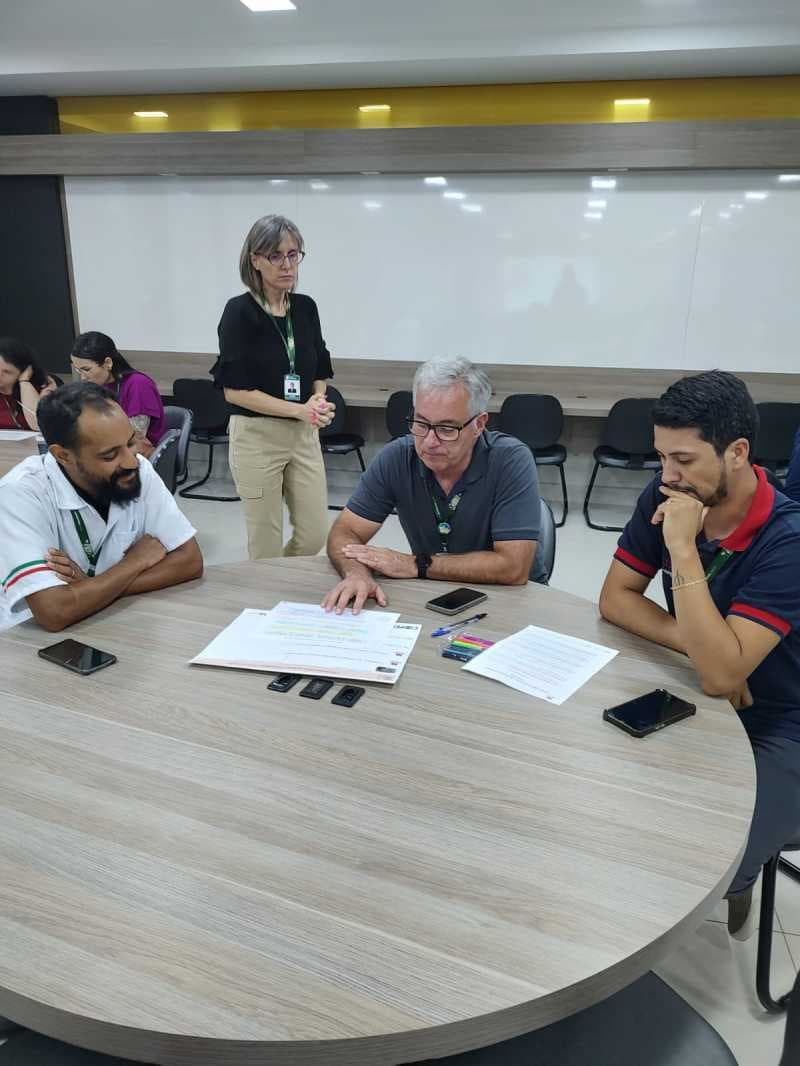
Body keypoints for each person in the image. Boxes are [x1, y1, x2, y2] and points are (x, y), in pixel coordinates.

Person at [598, 370, 800, 935]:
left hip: (782, 719)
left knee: (716, 867)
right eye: (662, 457)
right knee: (605, 799)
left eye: (684, 459)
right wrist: (709, 651)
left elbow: (721, 676)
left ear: (737, 453)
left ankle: (734, 893)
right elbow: (615, 599)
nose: (668, 476)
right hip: (703, 685)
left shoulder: (788, 540)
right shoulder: (666, 495)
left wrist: (683, 550)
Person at [323, 357, 545, 614]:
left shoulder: (510, 460)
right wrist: (356, 574)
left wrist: (418, 565)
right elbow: (345, 531)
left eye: (447, 428)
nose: (429, 441)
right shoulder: (398, 456)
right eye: (421, 423)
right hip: (436, 596)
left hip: (513, 600)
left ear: (479, 424)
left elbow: (513, 567)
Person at [0, 382, 203, 633]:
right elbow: (55, 611)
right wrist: (135, 562)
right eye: (109, 456)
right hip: (29, 643)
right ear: (62, 455)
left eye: (130, 443)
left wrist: (90, 586)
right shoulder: (21, 493)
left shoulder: (137, 469)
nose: (131, 461)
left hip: (110, 619)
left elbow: (190, 560)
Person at [212, 214, 335, 561]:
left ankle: (281, 583)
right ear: (255, 260)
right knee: (265, 543)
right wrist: (301, 409)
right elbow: (234, 391)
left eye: (293, 254)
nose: (287, 265)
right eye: (276, 256)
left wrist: (319, 401)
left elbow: (319, 369)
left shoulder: (306, 308)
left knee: (315, 534)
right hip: (256, 437)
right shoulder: (239, 312)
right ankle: (268, 600)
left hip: (303, 436)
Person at [70, 331, 167, 457]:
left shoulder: (138, 384)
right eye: (78, 370)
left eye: (86, 369)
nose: (82, 377)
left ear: (108, 363)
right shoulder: (98, 385)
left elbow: (134, 435)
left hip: (138, 454)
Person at [0, 337, 58, 432]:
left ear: (24, 370)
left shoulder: (44, 386)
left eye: (7, 372)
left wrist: (24, 382)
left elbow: (39, 425)